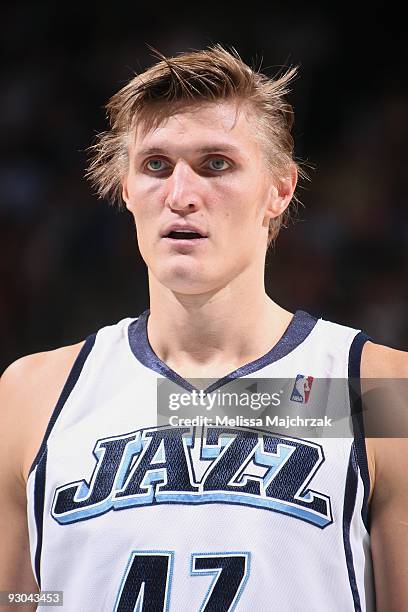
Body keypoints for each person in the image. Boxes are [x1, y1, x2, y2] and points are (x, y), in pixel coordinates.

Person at [0, 44, 407, 612]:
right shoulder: (31, 394)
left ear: (279, 188)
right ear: (125, 189)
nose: (181, 196)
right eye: (155, 166)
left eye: (216, 164)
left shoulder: (377, 391)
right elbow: (19, 597)